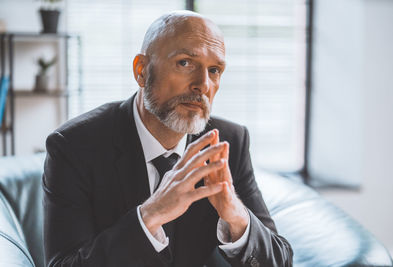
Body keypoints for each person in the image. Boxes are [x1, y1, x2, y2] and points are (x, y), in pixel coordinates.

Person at [43, 10, 293, 267]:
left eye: (215, 70)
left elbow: (280, 261)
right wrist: (151, 215)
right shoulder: (74, 146)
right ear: (141, 70)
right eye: (185, 63)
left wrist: (236, 215)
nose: (203, 85)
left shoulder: (229, 143)